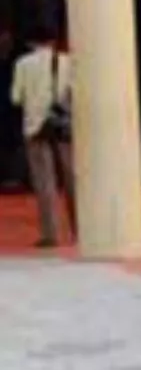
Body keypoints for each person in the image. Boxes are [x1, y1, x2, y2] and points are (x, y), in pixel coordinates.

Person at [9, 23, 75, 248]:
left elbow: (16, 97)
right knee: (72, 178)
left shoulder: (23, 64)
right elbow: (73, 92)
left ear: (31, 42)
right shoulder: (67, 62)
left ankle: (50, 233)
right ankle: (81, 228)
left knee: (44, 181)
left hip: (35, 127)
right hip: (63, 126)